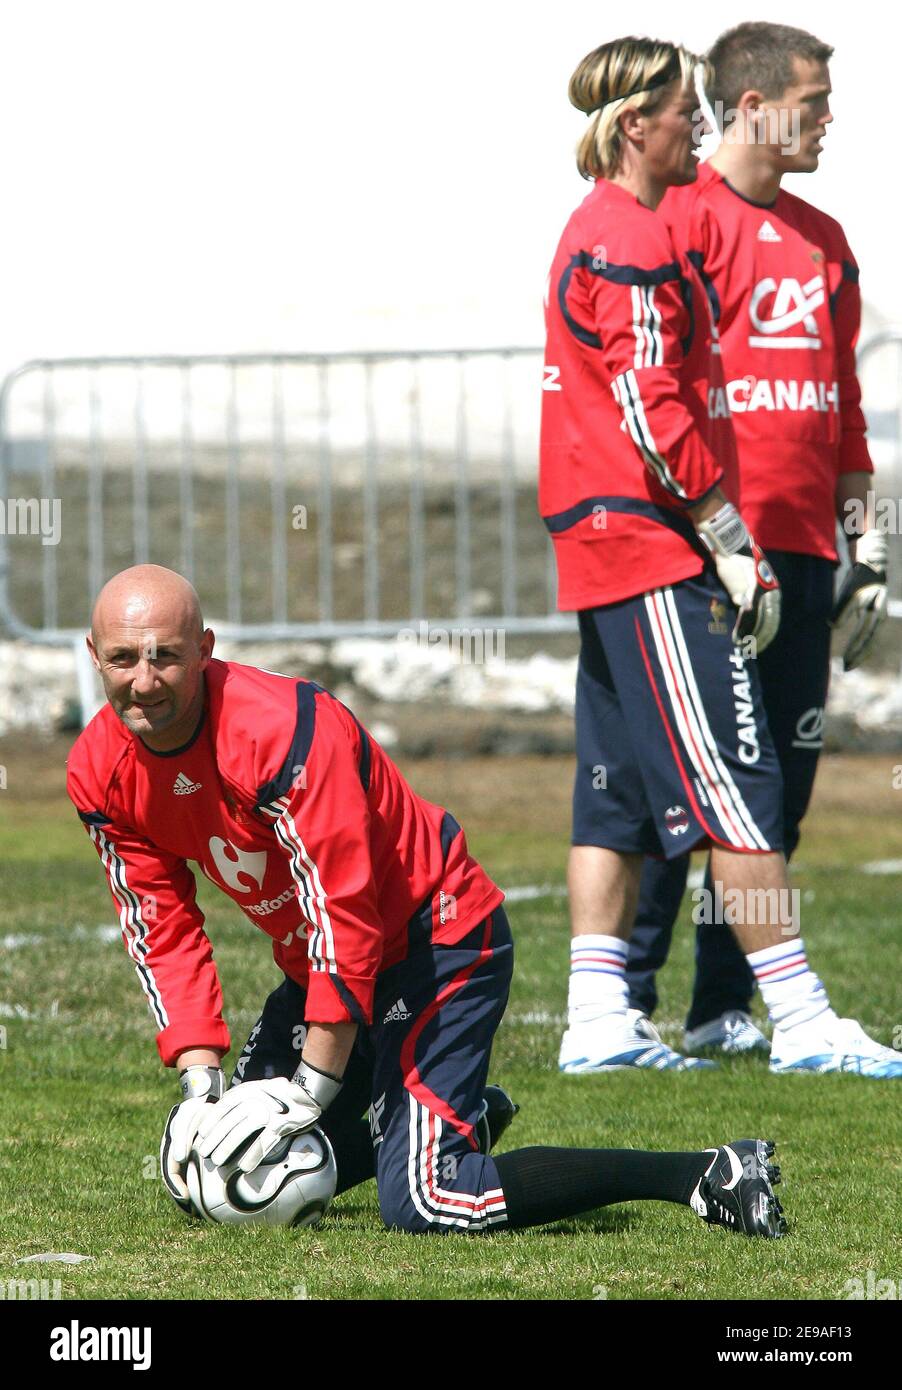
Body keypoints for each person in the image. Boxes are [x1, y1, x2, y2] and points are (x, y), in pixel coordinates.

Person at [66, 563, 786, 1236]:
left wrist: (312, 1088)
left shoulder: (279, 729)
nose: (146, 681)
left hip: (435, 944)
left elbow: (344, 909)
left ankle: (705, 1172)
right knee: (220, 1176)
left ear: (205, 650)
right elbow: (160, 927)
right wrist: (199, 1082)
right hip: (321, 966)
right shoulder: (99, 770)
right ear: (95, 655)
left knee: (431, 1200)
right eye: (125, 659)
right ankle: (429, 1118)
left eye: (165, 656)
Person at [539, 35, 900, 1079]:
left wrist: (857, 537)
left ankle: (600, 1013)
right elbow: (649, 405)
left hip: (652, 536)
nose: (694, 124)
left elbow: (835, 405)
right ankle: (797, 1015)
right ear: (633, 124)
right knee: (731, 778)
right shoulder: (640, 233)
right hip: (656, 540)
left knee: (613, 788)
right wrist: (724, 532)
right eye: (679, 110)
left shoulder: (637, 226)